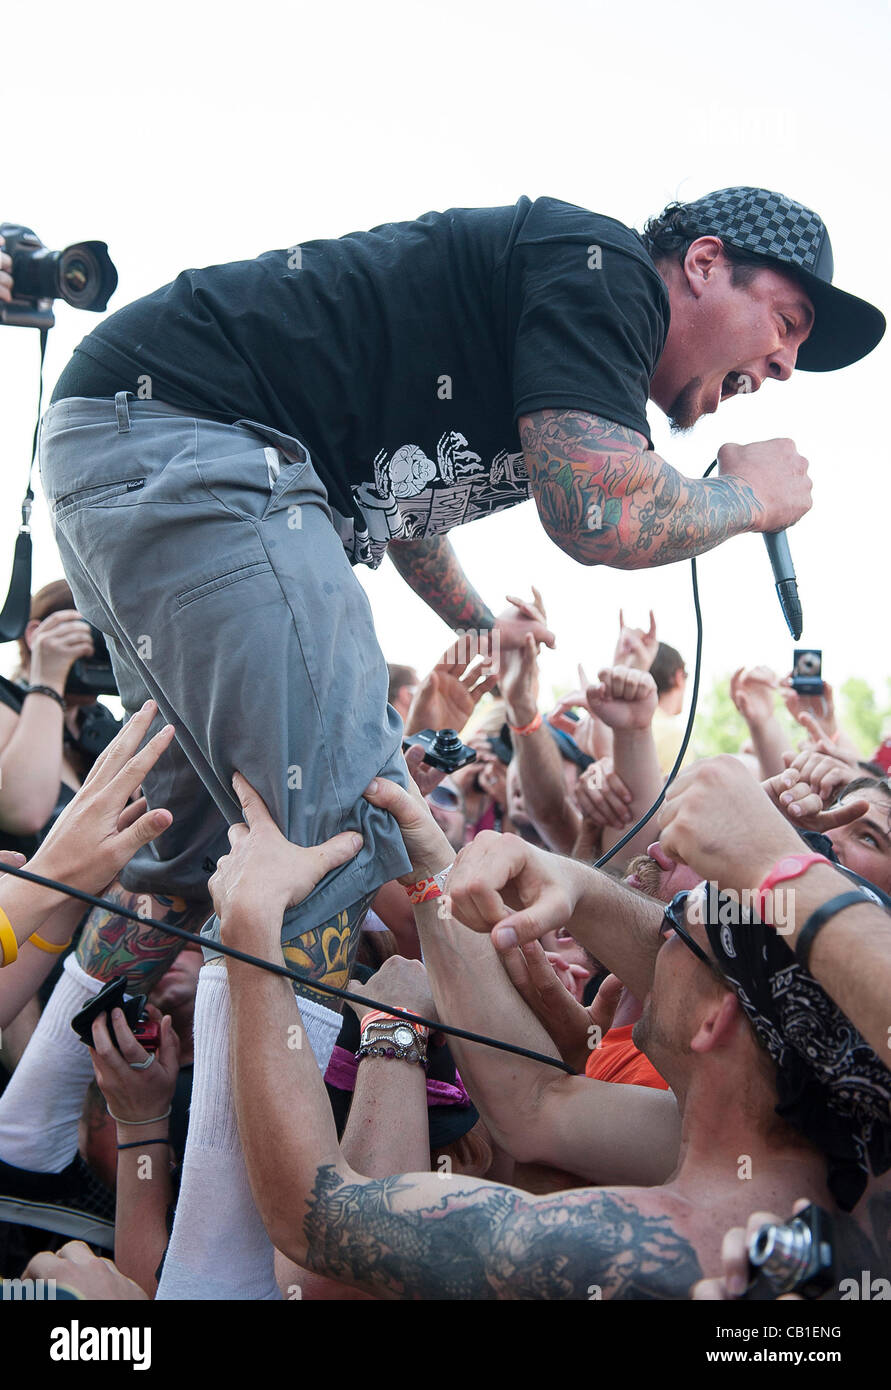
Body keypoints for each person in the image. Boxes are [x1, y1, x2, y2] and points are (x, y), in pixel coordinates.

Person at [35, 186, 883, 1297]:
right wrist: (748, 500)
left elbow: (406, 504)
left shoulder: (552, 333)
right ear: (706, 263)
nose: (780, 370)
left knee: (188, 842)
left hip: (157, 447)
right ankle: (214, 1281)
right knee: (331, 849)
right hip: (210, 452)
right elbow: (599, 511)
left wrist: (480, 628)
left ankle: (28, 1122)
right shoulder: (607, 274)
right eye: (788, 327)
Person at [209, 770, 888, 1299]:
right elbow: (536, 1106)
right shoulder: (811, 1170)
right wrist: (431, 870)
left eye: (678, 931)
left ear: (717, 1019)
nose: (650, 944)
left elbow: (318, 1216)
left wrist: (251, 932)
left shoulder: (630, 1248)